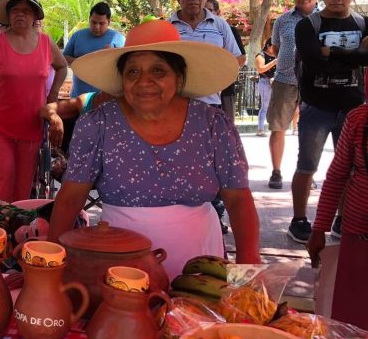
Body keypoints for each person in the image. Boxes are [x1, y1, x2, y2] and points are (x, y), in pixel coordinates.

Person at [46, 20, 261, 278]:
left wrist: (249, 270)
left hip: (201, 264)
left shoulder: (214, 123)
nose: (143, 82)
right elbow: (71, 197)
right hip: (118, 266)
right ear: (122, 79)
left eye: (158, 71)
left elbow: (238, 199)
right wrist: (49, 261)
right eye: (132, 72)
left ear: (178, 78)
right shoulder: (97, 123)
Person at [287, 0, 367, 244]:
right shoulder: (308, 25)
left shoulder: (362, 23)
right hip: (316, 106)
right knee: (307, 165)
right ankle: (299, 219)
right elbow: (313, 63)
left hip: (354, 108)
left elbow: (358, 60)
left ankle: (343, 219)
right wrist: (356, 55)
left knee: (351, 168)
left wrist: (332, 52)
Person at [0, 0, 68, 202]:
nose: (20, 14)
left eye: (26, 10)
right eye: (15, 10)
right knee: (4, 179)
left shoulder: (46, 43)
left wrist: (51, 98)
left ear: (34, 16)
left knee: (23, 188)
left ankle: (19, 231)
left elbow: (62, 67)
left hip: (32, 126)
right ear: (8, 15)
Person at [170, 0, 245, 234]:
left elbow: (237, 59)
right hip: (172, 107)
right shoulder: (167, 26)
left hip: (210, 106)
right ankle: (178, 214)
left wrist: (213, 77)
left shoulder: (220, 25)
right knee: (175, 162)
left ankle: (213, 216)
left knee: (211, 164)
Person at [306, 102, 368, 339]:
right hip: (358, 238)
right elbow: (336, 176)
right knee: (357, 321)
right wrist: (319, 228)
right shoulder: (358, 119)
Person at [267, 0, 321, 190]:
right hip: (284, 80)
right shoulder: (282, 20)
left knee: (310, 130)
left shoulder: (325, 18)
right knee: (277, 128)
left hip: (315, 82)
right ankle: (276, 171)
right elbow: (277, 48)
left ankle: (306, 173)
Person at [63, 2, 125, 97]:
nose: (97, 27)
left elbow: (126, 65)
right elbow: (65, 57)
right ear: (89, 19)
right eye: (94, 22)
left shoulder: (119, 39)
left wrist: (112, 55)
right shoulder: (77, 36)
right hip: (79, 97)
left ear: (108, 22)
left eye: (101, 23)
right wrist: (81, 63)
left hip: (107, 98)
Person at [205, 0, 247, 124]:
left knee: (226, 127)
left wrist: (221, 75)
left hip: (225, 88)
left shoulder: (229, 30)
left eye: (210, 10)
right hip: (201, 90)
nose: (206, 13)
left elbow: (241, 58)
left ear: (218, 13)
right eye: (203, 10)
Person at [254, 38, 277, 136]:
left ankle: (274, 128)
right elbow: (261, 69)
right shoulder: (261, 55)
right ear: (268, 46)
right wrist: (274, 62)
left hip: (276, 82)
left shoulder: (276, 54)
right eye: (274, 46)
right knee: (265, 106)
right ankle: (260, 129)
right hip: (265, 82)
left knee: (275, 106)